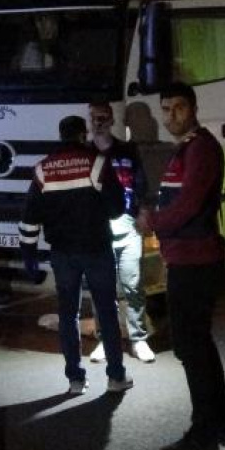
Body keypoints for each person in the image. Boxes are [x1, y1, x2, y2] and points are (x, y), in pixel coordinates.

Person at [137, 83, 225, 450]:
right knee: (199, 346)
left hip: (195, 262)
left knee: (191, 349)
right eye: (165, 108)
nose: (171, 115)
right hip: (188, 259)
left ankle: (203, 432)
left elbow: (189, 204)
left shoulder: (201, 148)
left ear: (193, 108)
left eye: (178, 107)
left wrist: (153, 222)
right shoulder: (189, 147)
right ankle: (220, 423)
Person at [19, 115, 133, 395]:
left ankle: (75, 380)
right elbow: (117, 208)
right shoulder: (97, 163)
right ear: (83, 135)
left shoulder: (43, 170)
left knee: (68, 314)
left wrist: (29, 255)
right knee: (106, 311)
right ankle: (116, 377)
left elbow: (29, 218)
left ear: (61, 136)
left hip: (63, 254)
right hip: (97, 249)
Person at [86, 101, 156, 364]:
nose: (99, 122)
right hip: (96, 229)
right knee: (101, 288)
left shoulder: (128, 150)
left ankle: (138, 339)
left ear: (112, 120)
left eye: (103, 117)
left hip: (127, 224)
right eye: (94, 118)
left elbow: (141, 184)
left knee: (132, 284)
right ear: (89, 121)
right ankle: (106, 339)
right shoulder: (84, 153)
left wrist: (143, 211)